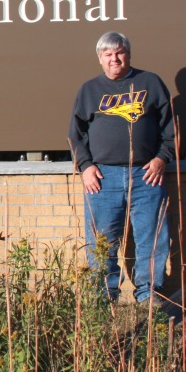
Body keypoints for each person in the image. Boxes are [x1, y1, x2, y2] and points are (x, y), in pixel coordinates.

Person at [68, 31, 174, 304]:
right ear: (100, 59)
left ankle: (149, 293)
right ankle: (103, 296)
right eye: (108, 54)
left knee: (152, 237)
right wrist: (86, 167)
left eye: (119, 53)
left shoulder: (150, 83)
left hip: (147, 175)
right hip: (102, 178)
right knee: (101, 242)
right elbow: (76, 135)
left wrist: (162, 158)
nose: (114, 59)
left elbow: (170, 130)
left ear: (128, 54)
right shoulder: (89, 90)